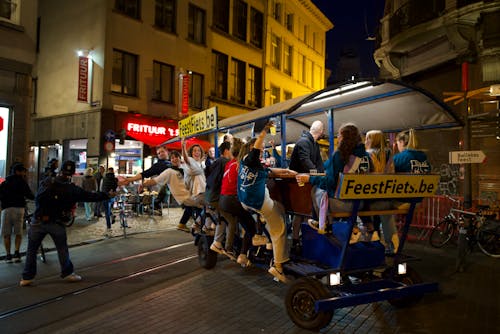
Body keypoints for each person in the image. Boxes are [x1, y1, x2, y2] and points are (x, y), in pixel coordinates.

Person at [20, 160, 113, 286]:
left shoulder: (47, 181)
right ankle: (67, 273)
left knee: (32, 250)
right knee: (62, 248)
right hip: (56, 222)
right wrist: (107, 195)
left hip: (38, 220)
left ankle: (27, 277)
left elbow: (37, 198)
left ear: (60, 170)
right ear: (73, 172)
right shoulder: (71, 188)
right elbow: (89, 196)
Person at [238, 121, 297, 283]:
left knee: (280, 208)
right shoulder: (251, 158)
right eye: (261, 149)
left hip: (246, 200)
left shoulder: (247, 162)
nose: (262, 152)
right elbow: (256, 148)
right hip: (258, 201)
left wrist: (289, 171)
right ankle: (278, 267)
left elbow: (271, 171)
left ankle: (263, 232)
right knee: (280, 230)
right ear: (253, 149)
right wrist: (263, 131)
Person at [296, 123, 371, 233]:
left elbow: (330, 182)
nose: (338, 138)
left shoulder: (340, 155)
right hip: (362, 203)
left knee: (316, 190)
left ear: (346, 138)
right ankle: (348, 227)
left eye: (340, 136)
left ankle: (324, 224)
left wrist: (310, 179)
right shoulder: (366, 156)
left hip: (345, 204)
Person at [143, 151, 205, 232]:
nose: (174, 159)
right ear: (170, 160)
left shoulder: (183, 169)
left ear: (180, 158)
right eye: (172, 158)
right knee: (204, 207)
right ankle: (197, 226)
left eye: (176, 157)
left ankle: (186, 225)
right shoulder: (169, 171)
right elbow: (156, 180)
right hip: (185, 197)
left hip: (190, 195)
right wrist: (143, 184)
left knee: (192, 209)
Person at [288, 120, 325, 250]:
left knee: (304, 212)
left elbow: (318, 162)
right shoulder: (304, 142)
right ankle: (295, 239)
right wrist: (318, 174)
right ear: (321, 132)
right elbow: (306, 161)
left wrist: (321, 174)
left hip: (305, 181)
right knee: (300, 211)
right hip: (298, 182)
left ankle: (302, 238)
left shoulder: (313, 143)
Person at [364, 130, 396, 247]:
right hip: (387, 198)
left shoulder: (366, 154)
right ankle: (392, 244)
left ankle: (372, 241)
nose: (365, 141)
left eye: (368, 138)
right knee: (387, 217)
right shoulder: (388, 153)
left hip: (370, 199)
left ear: (373, 140)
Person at [0, 163, 35, 263]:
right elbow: (29, 195)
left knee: (6, 234)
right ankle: (16, 253)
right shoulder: (22, 182)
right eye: (23, 171)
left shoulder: (5, 183)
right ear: (18, 172)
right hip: (19, 209)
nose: (24, 173)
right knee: (18, 232)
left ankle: (8, 255)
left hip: (6, 210)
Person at [101, 167, 119, 237]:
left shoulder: (105, 179)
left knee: (107, 213)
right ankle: (112, 216)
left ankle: (109, 228)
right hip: (112, 197)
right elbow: (116, 188)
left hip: (106, 197)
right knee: (109, 210)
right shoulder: (115, 179)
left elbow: (102, 189)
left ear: (108, 171)